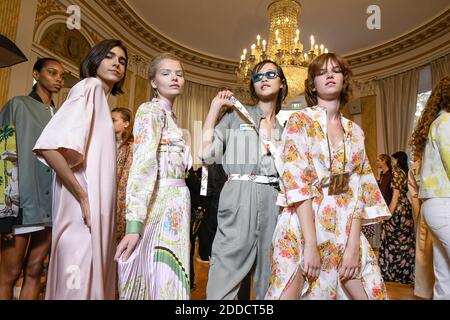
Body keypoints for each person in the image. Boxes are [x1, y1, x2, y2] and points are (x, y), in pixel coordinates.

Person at [266, 53, 391, 300]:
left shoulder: (356, 132)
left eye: (336, 70)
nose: (330, 75)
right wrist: (310, 245)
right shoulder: (299, 121)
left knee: (369, 289)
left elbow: (358, 189)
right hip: (303, 223)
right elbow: (297, 184)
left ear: (345, 80)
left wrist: (354, 244)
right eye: (322, 72)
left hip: (344, 223)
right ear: (313, 84)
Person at [33, 39, 128, 299]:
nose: (116, 63)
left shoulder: (99, 99)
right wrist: (83, 196)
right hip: (81, 213)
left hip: (89, 212)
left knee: (81, 283)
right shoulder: (91, 87)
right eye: (109, 56)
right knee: (77, 284)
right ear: (95, 60)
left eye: (122, 61)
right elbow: (49, 147)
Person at [200, 60, 287, 300]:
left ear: (281, 83)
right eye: (258, 76)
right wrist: (214, 109)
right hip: (239, 195)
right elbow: (207, 154)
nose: (264, 79)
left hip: (275, 202)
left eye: (271, 74)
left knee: (269, 274)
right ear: (252, 85)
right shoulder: (236, 117)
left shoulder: (287, 130)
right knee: (225, 270)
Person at [115, 53, 192, 300]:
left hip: (176, 203)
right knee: (157, 274)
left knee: (165, 274)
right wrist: (134, 224)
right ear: (153, 82)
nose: (174, 78)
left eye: (179, 74)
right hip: (161, 202)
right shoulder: (150, 110)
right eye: (166, 73)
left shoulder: (169, 115)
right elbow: (143, 164)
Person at [0, 58, 64, 300]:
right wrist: (4, 210)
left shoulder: (61, 115)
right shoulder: (18, 104)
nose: (58, 78)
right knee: (10, 272)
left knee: (36, 269)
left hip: (51, 205)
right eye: (52, 72)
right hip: (21, 202)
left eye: (61, 74)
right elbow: (2, 153)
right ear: (36, 74)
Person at [411, 76, 450, 299]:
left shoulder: (437, 123)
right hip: (445, 203)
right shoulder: (446, 122)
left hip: (434, 205)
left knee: (445, 279)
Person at [378, 151, 415, 284]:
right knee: (403, 242)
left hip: (398, 211)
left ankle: (394, 273)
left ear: (397, 161)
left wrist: (388, 215)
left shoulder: (397, 173)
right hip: (405, 210)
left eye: (393, 160)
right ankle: (401, 272)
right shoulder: (403, 173)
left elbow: (395, 197)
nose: (391, 161)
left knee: (394, 242)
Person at [407, 158, 434, 299]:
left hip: (426, 211)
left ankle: (429, 292)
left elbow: (415, 197)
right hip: (434, 209)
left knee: (426, 257)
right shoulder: (415, 167)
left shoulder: (415, 167)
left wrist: (418, 219)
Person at [111, 107, 134, 242]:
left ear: (126, 123)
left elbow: (124, 177)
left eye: (113, 120)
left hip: (122, 198)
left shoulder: (131, 145)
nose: (109, 123)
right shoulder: (108, 142)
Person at [362, 154, 393, 246]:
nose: (376, 163)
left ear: (384, 161)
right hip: (381, 203)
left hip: (388, 202)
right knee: (382, 228)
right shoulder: (382, 175)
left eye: (378, 160)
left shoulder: (391, 174)